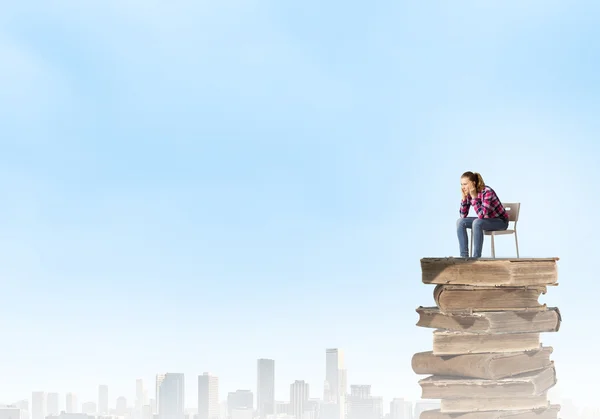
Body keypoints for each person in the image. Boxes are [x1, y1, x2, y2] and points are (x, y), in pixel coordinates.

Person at [457, 171, 509, 258]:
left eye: (465, 184)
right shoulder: (468, 193)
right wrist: (464, 199)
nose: (463, 187)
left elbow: (481, 215)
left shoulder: (487, 192)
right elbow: (463, 215)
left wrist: (474, 197)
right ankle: (464, 257)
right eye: (461, 184)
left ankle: (476, 258)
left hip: (500, 221)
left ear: (473, 183)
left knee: (477, 222)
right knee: (460, 222)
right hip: (486, 220)